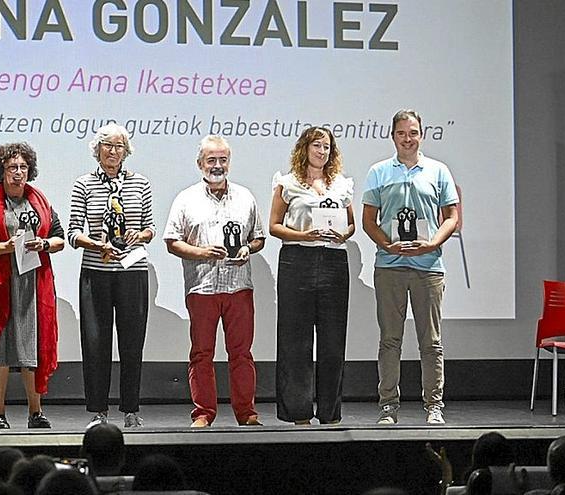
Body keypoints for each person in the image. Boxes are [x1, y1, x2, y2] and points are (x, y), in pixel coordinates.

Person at [362, 109, 459, 425]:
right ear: (393, 136)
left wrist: (433, 244)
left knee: (430, 341)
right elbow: (368, 220)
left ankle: (434, 405)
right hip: (390, 265)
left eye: (413, 132)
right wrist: (385, 244)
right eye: (402, 133)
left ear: (422, 134)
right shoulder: (378, 172)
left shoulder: (438, 171)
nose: (408, 138)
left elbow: (452, 217)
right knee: (390, 339)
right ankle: (388, 406)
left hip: (428, 267)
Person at [164, 135, 265, 427]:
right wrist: (200, 252)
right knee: (201, 353)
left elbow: (258, 237)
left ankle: (246, 413)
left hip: (238, 287)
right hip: (202, 287)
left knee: (242, 353)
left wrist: (249, 248)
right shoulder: (185, 199)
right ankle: (203, 413)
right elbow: (171, 241)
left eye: (222, 160)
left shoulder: (245, 197)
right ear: (200, 164)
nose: (217, 165)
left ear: (229, 162)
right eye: (211, 160)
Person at [0, 142, 65, 430]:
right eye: (12, 168)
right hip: (0, 286)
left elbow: (59, 239)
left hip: (34, 287)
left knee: (31, 350)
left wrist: (44, 243)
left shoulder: (41, 203)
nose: (18, 173)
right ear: (1, 171)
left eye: (23, 167)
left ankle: (35, 412)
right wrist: (5, 247)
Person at [67, 123, 155, 428]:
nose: (113, 151)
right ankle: (98, 410)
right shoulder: (83, 184)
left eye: (119, 146)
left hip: (132, 271)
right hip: (96, 272)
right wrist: (95, 243)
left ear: (126, 151)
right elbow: (73, 233)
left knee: (132, 342)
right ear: (97, 149)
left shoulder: (141, 183)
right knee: (96, 342)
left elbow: (150, 228)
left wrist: (139, 234)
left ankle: (131, 409)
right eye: (107, 145)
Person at [269, 126, 354, 425]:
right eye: (317, 145)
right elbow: (274, 226)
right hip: (297, 260)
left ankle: (330, 413)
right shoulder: (287, 182)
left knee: (333, 341)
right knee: (296, 341)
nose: (322, 151)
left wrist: (343, 234)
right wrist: (303, 235)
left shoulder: (341, 185)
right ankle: (299, 412)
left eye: (327, 147)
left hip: (333, 261)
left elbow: (351, 225)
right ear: (304, 148)